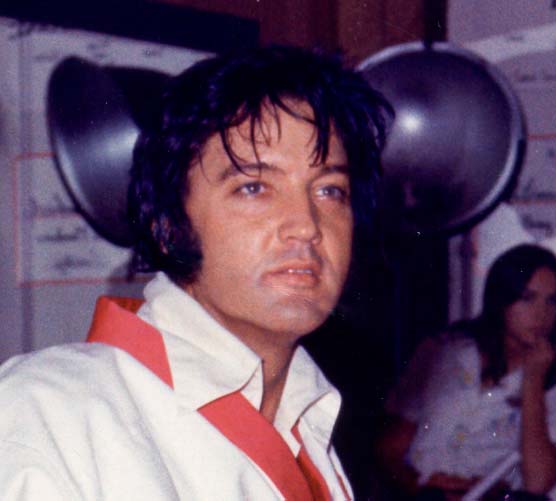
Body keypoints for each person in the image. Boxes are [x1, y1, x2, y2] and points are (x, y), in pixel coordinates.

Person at [0, 46, 390, 499]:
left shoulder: (308, 422)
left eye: (329, 190)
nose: (306, 225)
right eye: (253, 187)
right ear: (168, 227)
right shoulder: (47, 413)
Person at [377, 244, 556, 501]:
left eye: (552, 301)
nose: (542, 314)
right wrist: (423, 490)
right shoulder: (443, 353)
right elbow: (389, 449)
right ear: (501, 300)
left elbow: (538, 483)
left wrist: (533, 381)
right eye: (528, 298)